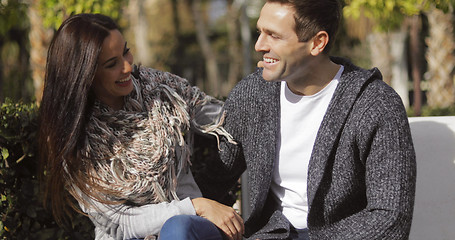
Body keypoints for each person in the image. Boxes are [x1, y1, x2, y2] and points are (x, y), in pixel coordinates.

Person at [195, 0, 417, 239]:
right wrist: (189, 207)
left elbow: (390, 218)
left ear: (317, 43)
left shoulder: (374, 104)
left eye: (274, 36)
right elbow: (213, 180)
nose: (259, 45)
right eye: (260, 32)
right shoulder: (252, 95)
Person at [38, 13, 244, 240]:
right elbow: (121, 225)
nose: (128, 66)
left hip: (188, 230)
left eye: (126, 51)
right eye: (111, 64)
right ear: (86, 74)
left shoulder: (158, 88)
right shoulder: (73, 139)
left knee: (177, 230)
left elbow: (222, 116)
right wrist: (196, 206)